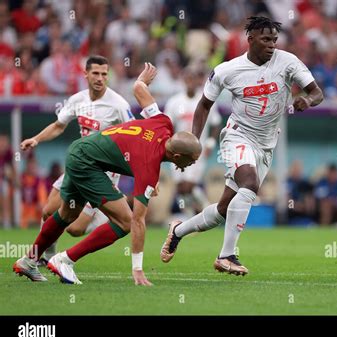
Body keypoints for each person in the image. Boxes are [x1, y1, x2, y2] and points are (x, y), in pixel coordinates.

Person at [160, 16, 324, 275]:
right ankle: (227, 255)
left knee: (224, 209)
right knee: (249, 184)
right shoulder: (227, 70)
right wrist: (193, 138)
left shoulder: (288, 61)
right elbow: (205, 104)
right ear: (250, 39)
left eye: (274, 39)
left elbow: (317, 92)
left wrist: (308, 100)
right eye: (265, 39)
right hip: (238, 136)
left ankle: (178, 231)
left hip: (266, 143)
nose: (271, 44)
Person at [13, 62, 202, 285]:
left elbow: (139, 89)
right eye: (191, 160)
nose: (192, 164)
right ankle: (65, 259)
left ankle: (29, 260)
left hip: (79, 152)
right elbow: (138, 221)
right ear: (178, 157)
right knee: (125, 221)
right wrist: (138, 269)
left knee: (67, 215)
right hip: (87, 163)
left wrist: (142, 79)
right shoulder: (149, 166)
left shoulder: (164, 123)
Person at [20, 55, 134, 264]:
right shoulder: (77, 100)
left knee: (74, 229)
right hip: (80, 165)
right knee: (48, 212)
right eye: (96, 73)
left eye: (104, 74)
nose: (100, 78)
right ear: (86, 74)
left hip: (102, 173)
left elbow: (134, 136)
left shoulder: (118, 104)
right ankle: (47, 257)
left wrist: (144, 173)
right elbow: (58, 125)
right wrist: (36, 139)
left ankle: (99, 215)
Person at [164, 65, 221, 218]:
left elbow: (216, 123)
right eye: (188, 78)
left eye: (193, 79)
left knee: (189, 185)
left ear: (198, 81)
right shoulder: (174, 102)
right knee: (180, 188)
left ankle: (206, 208)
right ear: (184, 80)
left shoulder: (204, 101)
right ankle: (191, 215)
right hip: (177, 150)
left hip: (197, 150)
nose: (190, 82)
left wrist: (210, 143)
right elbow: (167, 125)